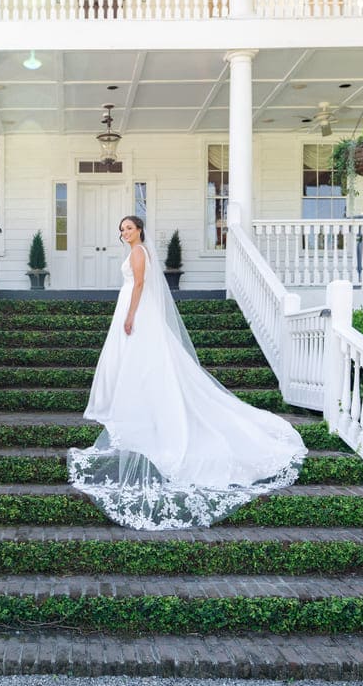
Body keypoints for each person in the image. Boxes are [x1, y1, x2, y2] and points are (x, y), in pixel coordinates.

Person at [68, 215, 307, 530]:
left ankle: (145, 409)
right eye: (122, 229)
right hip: (133, 307)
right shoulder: (136, 251)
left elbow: (139, 284)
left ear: (139, 230)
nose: (124, 232)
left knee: (145, 361)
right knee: (137, 362)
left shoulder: (139, 252)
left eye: (129, 227)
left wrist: (130, 315)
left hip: (137, 310)